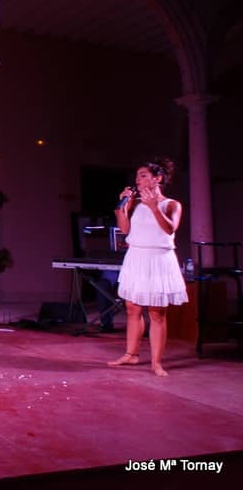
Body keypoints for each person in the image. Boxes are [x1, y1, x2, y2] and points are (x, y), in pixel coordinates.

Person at [108, 158, 187, 376]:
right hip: (136, 257)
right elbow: (125, 230)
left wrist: (154, 208)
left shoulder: (172, 204)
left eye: (143, 175)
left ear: (157, 178)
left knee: (156, 312)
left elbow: (170, 229)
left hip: (158, 259)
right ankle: (131, 354)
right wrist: (122, 207)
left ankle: (156, 362)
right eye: (137, 176)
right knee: (132, 308)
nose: (138, 179)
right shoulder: (136, 204)